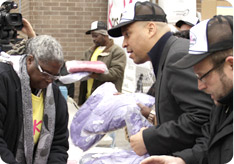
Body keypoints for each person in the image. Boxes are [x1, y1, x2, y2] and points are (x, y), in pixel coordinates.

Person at [108, 1, 213, 156]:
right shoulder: (168, 55)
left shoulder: (176, 56)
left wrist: (149, 138)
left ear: (151, 29)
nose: (124, 44)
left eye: (127, 34)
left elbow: (204, 116)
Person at [140, 15, 233, 164]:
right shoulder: (223, 102)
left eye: (202, 76)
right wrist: (182, 160)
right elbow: (208, 146)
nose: (200, 86)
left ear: (231, 65)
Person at [0, 35, 69, 163]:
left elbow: (59, 143)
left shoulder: (54, 94)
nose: (49, 80)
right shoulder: (4, 80)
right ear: (30, 60)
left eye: (55, 76)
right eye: (45, 73)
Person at [78, 20, 126, 106]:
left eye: (96, 36)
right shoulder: (89, 51)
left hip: (106, 102)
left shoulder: (117, 52)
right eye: (92, 36)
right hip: (88, 99)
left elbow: (116, 73)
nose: (94, 39)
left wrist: (96, 75)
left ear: (105, 34)